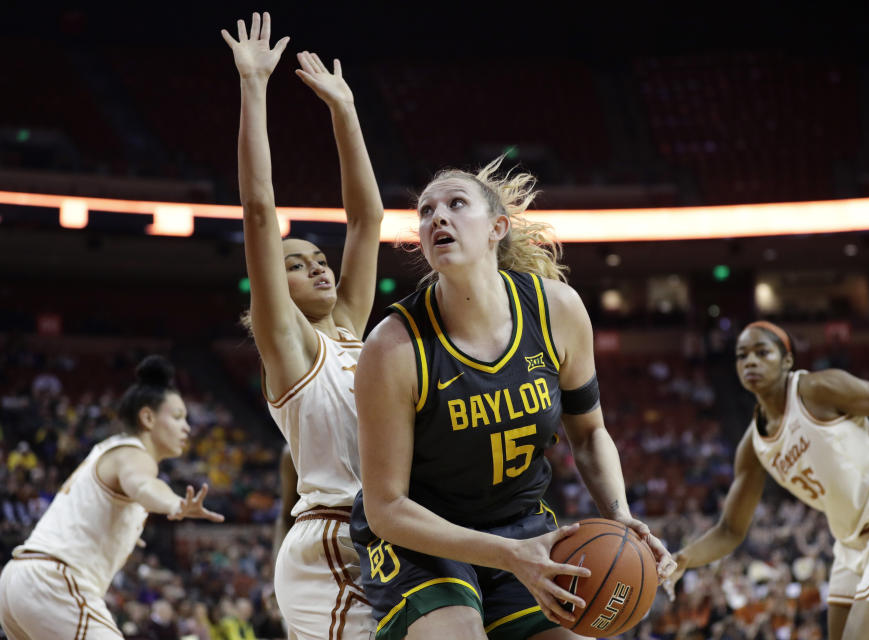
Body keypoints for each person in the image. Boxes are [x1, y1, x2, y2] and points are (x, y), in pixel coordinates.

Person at [350, 158, 675, 640]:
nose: (437, 217)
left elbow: (588, 435)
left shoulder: (556, 310)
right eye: (425, 211)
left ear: (496, 228)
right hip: (420, 538)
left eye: (456, 204)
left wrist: (621, 517)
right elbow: (386, 508)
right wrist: (504, 555)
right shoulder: (393, 347)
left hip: (520, 526)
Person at [221, 11, 384, 639]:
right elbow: (260, 212)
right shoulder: (288, 343)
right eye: (297, 265)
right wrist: (254, 85)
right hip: (332, 545)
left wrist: (345, 111)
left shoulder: (351, 326)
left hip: (387, 531)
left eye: (320, 260)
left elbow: (366, 221)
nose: (318, 268)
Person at [665, 321, 869, 640]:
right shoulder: (752, 446)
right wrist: (684, 558)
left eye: (762, 352)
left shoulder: (818, 390)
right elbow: (730, 530)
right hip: (851, 544)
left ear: (787, 361)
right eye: (742, 355)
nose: (750, 361)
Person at [0, 355, 223, 640]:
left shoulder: (107, 451)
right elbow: (144, 485)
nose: (187, 427)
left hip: (19, 580)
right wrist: (175, 504)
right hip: (54, 583)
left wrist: (126, 532)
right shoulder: (134, 454)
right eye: (178, 416)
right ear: (148, 417)